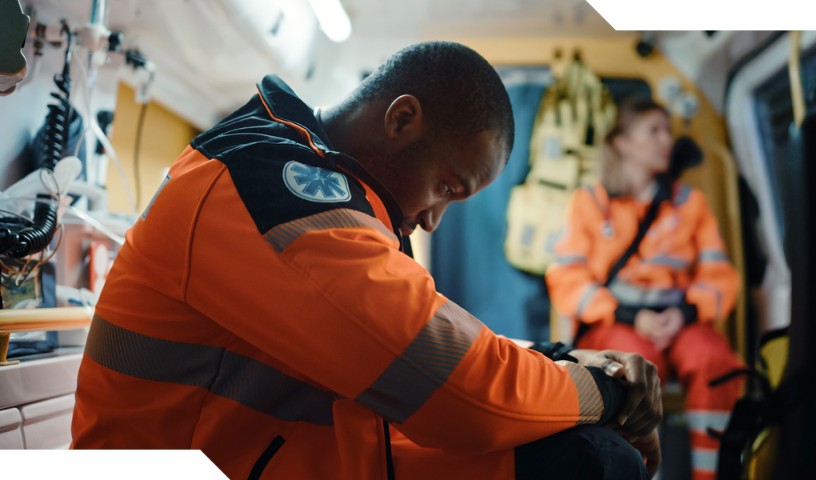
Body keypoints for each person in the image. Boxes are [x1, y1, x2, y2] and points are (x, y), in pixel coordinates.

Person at [72, 42, 661, 479]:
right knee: (593, 460)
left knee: (584, 458)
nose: (433, 219)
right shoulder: (266, 182)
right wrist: (604, 392)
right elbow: (456, 390)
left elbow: (428, 339)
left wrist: (563, 362)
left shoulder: (317, 184)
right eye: (448, 188)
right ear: (401, 120)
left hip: (282, 458)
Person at [546, 97, 745, 480]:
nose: (666, 140)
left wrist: (686, 312)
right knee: (632, 363)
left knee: (715, 362)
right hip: (617, 320)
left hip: (681, 320)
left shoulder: (689, 203)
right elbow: (568, 278)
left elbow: (720, 276)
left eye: (668, 131)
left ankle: (714, 474)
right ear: (622, 142)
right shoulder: (590, 203)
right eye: (653, 131)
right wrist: (628, 315)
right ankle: (642, 474)